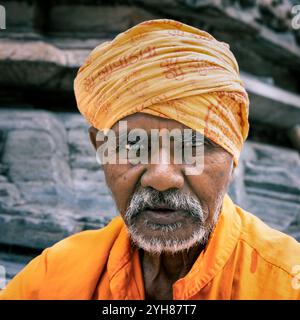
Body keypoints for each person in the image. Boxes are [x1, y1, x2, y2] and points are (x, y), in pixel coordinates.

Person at [1, 19, 299, 300]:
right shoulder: (52, 277)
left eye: (193, 146)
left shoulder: (286, 281)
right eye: (133, 145)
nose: (161, 177)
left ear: (233, 155)